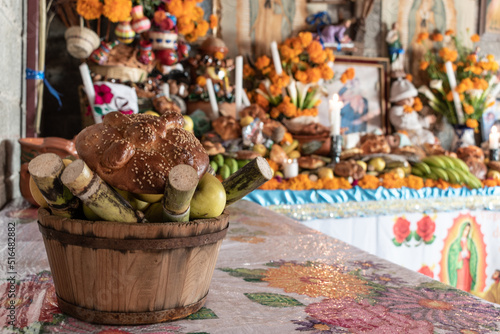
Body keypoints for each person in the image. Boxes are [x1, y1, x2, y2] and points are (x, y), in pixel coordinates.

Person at [388, 78, 436, 146]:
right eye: (407, 99)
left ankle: (432, 147)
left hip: (419, 132)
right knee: (418, 142)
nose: (411, 101)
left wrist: (425, 121)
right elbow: (406, 124)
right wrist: (424, 121)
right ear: (398, 100)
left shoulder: (410, 109)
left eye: (412, 98)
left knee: (429, 136)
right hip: (409, 135)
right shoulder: (395, 111)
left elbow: (416, 119)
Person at [448, 223, 478, 292]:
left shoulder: (470, 243)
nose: (466, 232)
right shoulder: (456, 243)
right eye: (465, 230)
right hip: (459, 269)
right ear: (462, 230)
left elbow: (474, 256)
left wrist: (468, 254)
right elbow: (452, 257)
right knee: (459, 287)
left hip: (468, 268)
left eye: (468, 230)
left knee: (467, 288)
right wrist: (461, 254)